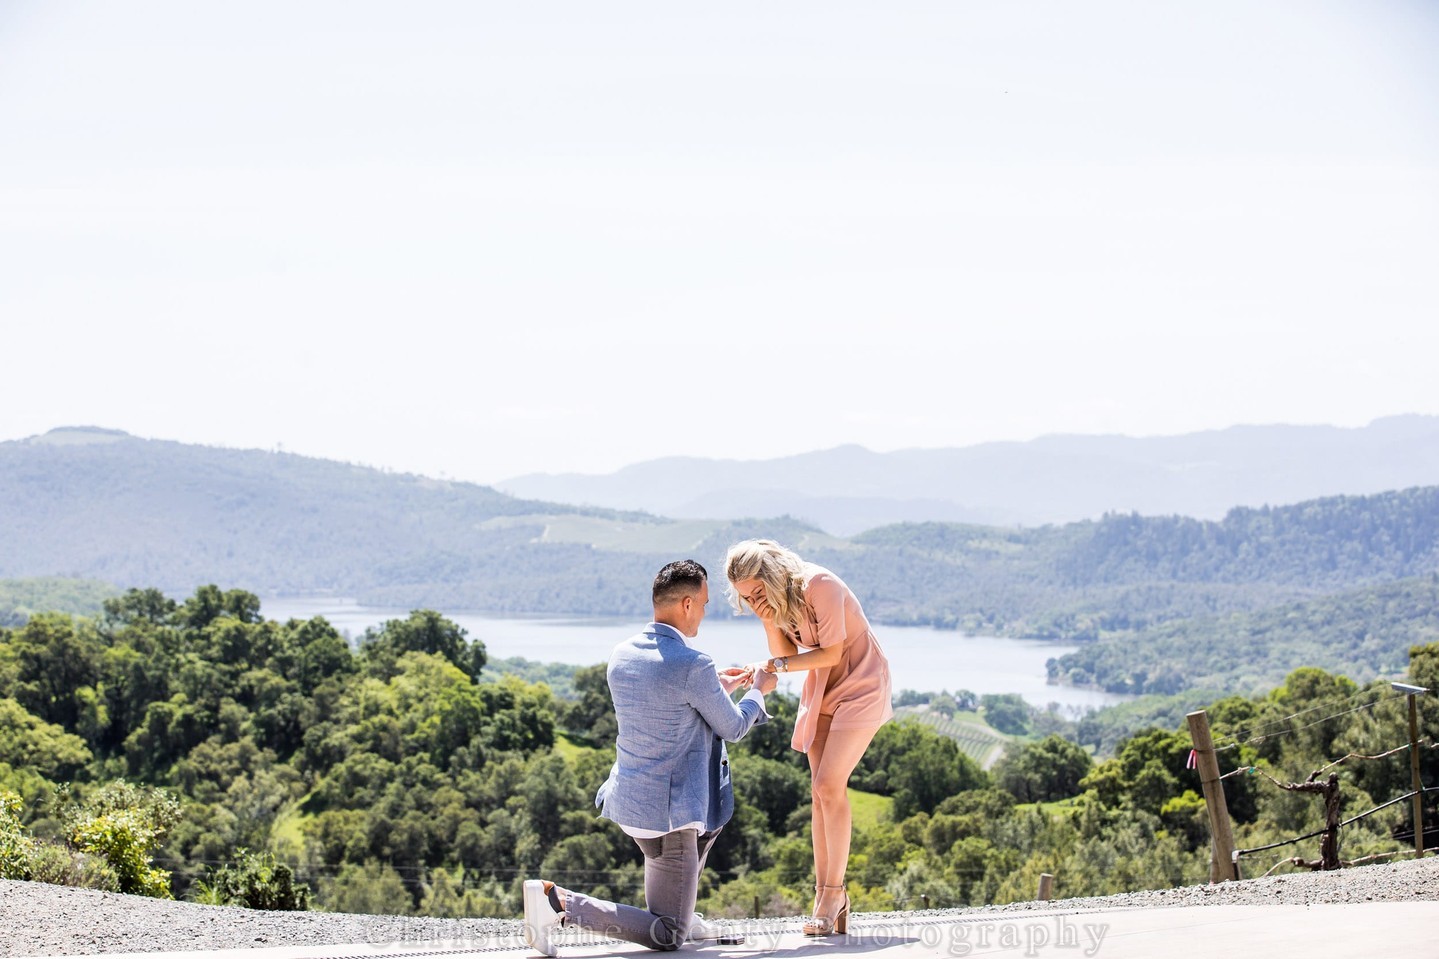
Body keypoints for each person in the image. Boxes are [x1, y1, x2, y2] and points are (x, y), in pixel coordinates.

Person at [522, 559, 777, 956]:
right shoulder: (693, 664)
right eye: (705, 604)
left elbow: (664, 704)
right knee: (668, 933)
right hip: (669, 817)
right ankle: (558, 903)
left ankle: (687, 915)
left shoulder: (623, 654)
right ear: (687, 604)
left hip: (631, 801)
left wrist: (715, 689)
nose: (704, 613)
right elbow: (733, 727)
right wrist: (758, 691)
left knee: (698, 850)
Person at [724, 539, 892, 937]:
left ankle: (834, 894)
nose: (754, 601)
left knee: (830, 785)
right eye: (747, 598)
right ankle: (825, 895)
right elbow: (787, 652)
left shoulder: (820, 585)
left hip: (861, 684)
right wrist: (767, 621)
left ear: (772, 575)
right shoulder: (776, 602)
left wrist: (769, 665)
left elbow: (829, 653)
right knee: (818, 794)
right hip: (822, 688)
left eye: (758, 592)